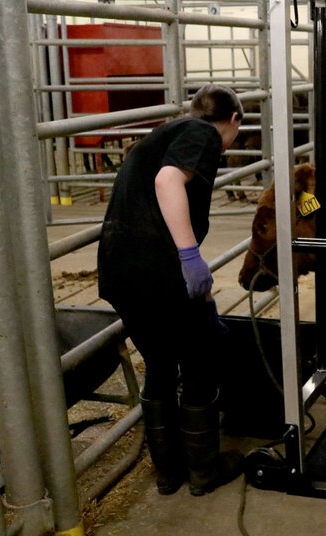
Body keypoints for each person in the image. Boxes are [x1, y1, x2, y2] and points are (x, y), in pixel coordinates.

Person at [98, 84, 245, 496]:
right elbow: (168, 182)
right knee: (200, 358)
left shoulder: (162, 134)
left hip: (120, 270)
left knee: (160, 362)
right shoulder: (204, 134)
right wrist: (190, 256)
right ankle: (203, 471)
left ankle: (169, 473)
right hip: (160, 269)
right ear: (233, 119)